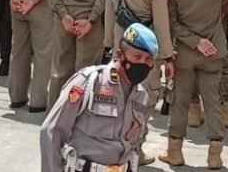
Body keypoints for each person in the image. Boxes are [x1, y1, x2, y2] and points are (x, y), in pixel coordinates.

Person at [39, 22, 157, 172]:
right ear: (120, 55)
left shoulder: (141, 97)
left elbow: (133, 146)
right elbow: (51, 131)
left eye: (148, 59)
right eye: (137, 56)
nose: (143, 63)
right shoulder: (89, 82)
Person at [162, 0, 228, 170]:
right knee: (213, 101)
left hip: (185, 53)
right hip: (213, 52)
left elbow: (172, 24)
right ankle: (214, 156)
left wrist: (195, 42)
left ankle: (175, 152)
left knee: (180, 102)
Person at [103, 0, 174, 164]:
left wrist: (108, 43)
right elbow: (161, 22)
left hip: (120, 42)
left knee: (119, 94)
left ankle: (116, 143)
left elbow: (110, 11)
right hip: (145, 46)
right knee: (145, 97)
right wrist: (166, 56)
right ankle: (135, 147)